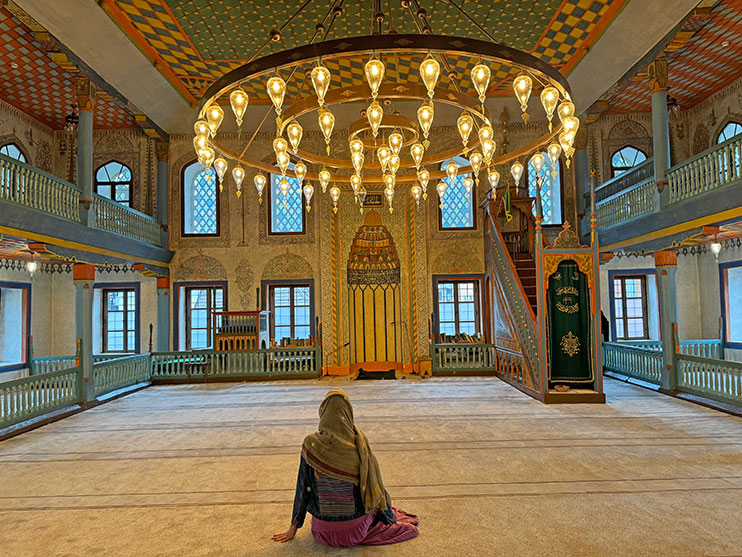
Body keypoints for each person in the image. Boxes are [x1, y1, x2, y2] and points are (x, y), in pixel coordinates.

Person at [272, 388, 419, 547]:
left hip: (322, 532)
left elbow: (303, 489)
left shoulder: (310, 445)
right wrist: (389, 518)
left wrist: (293, 527)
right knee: (374, 501)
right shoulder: (359, 447)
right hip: (356, 531)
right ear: (348, 414)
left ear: (323, 413)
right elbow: (374, 490)